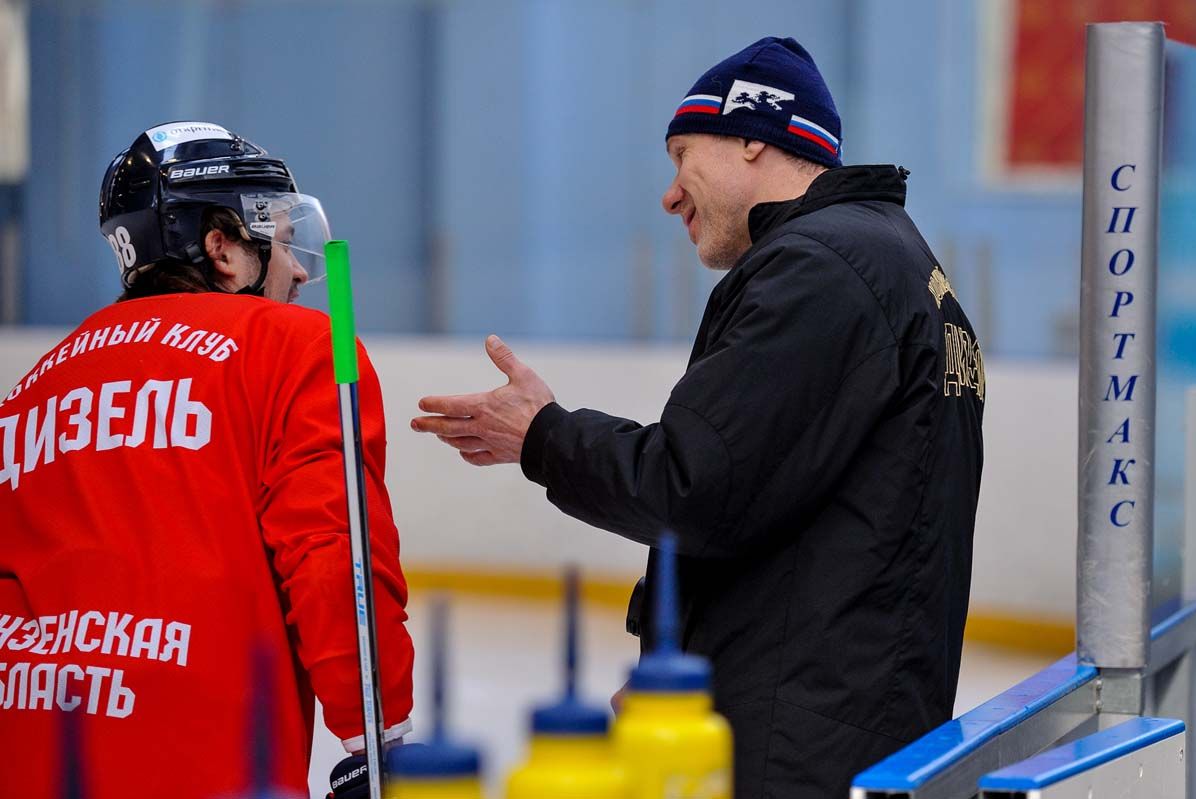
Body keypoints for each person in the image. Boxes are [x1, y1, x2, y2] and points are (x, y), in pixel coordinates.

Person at [411, 38, 985, 798]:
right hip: (837, 720)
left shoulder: (820, 268)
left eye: (683, 154)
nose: (670, 194)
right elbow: (779, 513)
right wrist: (675, 680)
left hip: (796, 751)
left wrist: (542, 434)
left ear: (754, 136)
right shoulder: (895, 261)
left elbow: (693, 486)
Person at [0, 121, 414, 799]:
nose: (300, 269)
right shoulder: (295, 346)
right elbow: (333, 553)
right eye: (282, 241)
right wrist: (379, 739)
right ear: (222, 247)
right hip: (204, 766)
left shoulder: (32, 387)